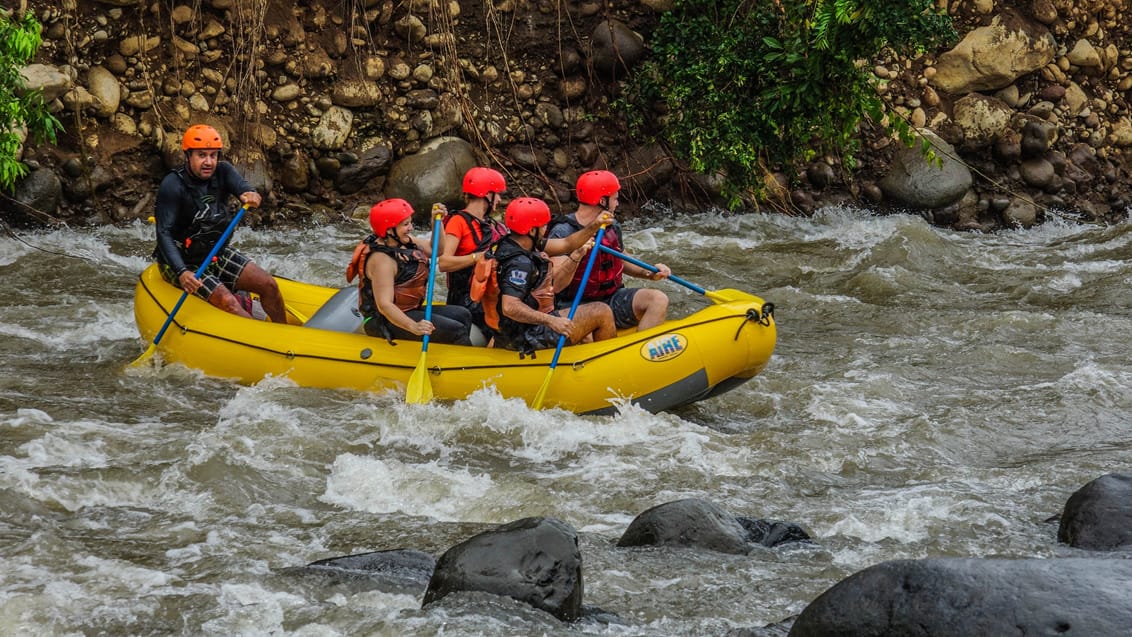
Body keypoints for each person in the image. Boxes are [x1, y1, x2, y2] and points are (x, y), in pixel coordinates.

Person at [437, 166, 614, 340]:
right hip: (471, 301)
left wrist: (594, 226)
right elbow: (444, 263)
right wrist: (481, 257)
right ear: (486, 194)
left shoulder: (498, 229)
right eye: (497, 194)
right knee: (598, 312)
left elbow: (567, 244)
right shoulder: (459, 221)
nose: (499, 199)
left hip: (496, 298)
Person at [152, 124, 286, 323]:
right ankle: (260, 341)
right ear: (188, 156)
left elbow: (243, 187)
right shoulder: (172, 184)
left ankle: (284, 337)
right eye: (202, 155)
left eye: (213, 155)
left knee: (269, 284)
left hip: (215, 252)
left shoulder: (223, 171)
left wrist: (250, 193)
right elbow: (163, 232)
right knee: (228, 301)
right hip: (182, 261)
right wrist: (182, 272)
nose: (208, 162)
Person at [478, 197, 615, 355]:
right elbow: (509, 307)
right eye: (543, 225)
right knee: (601, 311)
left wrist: (595, 225)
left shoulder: (516, 243)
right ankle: (608, 363)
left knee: (585, 329)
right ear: (531, 230)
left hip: (515, 329)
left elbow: (567, 244)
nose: (546, 228)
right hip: (525, 337)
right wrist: (551, 320)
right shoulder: (519, 263)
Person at [547, 170, 671, 331]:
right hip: (574, 304)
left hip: (612, 298)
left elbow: (623, 260)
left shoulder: (611, 226)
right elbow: (556, 285)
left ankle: (640, 352)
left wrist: (650, 272)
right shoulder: (563, 231)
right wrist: (577, 256)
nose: (617, 204)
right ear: (602, 201)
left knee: (658, 299)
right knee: (588, 332)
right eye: (615, 198)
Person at [347, 198, 473, 346]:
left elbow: (436, 251)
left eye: (410, 222)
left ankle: (448, 356)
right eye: (405, 224)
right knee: (455, 330)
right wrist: (413, 326)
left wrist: (436, 222)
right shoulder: (382, 261)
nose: (411, 227)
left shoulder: (403, 241)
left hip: (410, 309)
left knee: (463, 315)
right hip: (383, 320)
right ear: (388, 229)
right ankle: (461, 365)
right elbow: (385, 305)